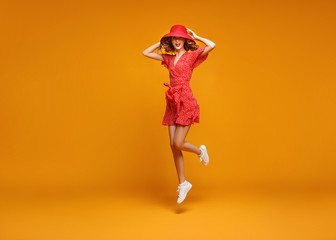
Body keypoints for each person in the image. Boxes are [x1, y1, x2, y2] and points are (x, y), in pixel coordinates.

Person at [142, 25, 216, 204]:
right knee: (173, 145)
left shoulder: (192, 56)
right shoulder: (168, 59)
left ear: (185, 41)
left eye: (180, 38)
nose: (176, 41)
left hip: (185, 100)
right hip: (172, 102)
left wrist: (196, 36)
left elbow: (212, 45)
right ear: (170, 41)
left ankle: (200, 151)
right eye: (174, 38)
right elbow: (145, 52)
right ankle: (183, 183)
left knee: (178, 142)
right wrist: (161, 42)